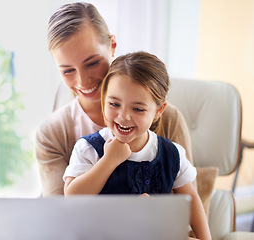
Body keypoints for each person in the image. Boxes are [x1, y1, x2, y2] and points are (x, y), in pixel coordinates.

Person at [36, 2, 193, 196]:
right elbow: (59, 212)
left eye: (92, 63)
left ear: (112, 46)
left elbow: (188, 204)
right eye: (68, 70)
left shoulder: (169, 119)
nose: (83, 81)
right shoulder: (52, 134)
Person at [63, 51, 211, 240]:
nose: (123, 116)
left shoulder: (171, 153)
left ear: (159, 110)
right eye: (114, 104)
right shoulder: (88, 148)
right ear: (103, 100)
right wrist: (109, 161)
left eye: (138, 109)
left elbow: (190, 201)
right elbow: (72, 198)